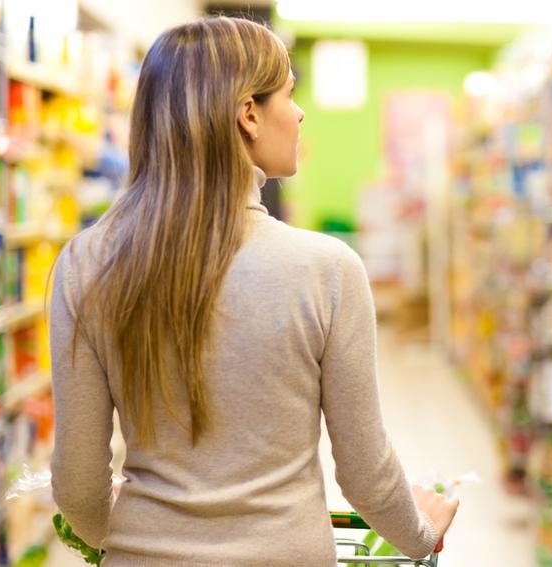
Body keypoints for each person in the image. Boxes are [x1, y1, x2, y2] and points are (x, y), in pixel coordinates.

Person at [48, 17, 458, 566]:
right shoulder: (326, 269)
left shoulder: (86, 263)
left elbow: (77, 487)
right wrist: (422, 534)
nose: (300, 113)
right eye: (289, 94)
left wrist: (128, 534)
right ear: (248, 114)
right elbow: (365, 474)